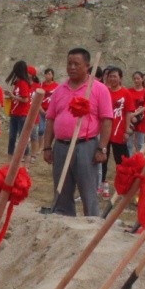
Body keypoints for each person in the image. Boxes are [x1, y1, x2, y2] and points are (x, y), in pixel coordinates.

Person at [42, 48, 114, 217]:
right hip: (61, 146)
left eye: (76, 64)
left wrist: (102, 148)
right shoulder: (59, 90)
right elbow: (50, 119)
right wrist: (47, 147)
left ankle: (91, 221)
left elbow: (107, 120)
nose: (72, 67)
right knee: (61, 190)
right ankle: (63, 219)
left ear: (87, 66)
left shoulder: (99, 89)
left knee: (88, 190)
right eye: (69, 64)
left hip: (86, 146)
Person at [5, 60, 34, 158]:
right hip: (15, 113)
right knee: (12, 137)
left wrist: (13, 96)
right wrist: (11, 96)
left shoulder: (23, 83)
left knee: (22, 138)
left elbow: (25, 99)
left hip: (21, 114)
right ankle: (10, 158)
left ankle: (26, 158)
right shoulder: (18, 83)